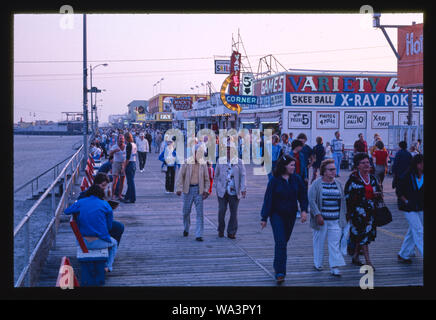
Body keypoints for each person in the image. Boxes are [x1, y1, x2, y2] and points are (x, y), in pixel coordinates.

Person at [260, 154, 308, 284]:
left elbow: (303, 196)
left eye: (294, 165)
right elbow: (268, 199)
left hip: (291, 215)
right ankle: (280, 272)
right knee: (281, 242)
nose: (294, 167)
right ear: (284, 166)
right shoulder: (274, 181)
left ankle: (277, 264)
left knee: (283, 242)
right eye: (292, 165)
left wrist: (304, 210)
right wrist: (264, 217)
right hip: (276, 215)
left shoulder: (296, 179)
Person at [64, 182, 118, 273]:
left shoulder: (81, 202)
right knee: (114, 243)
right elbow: (109, 227)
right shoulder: (105, 204)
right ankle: (108, 266)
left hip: (83, 242)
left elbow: (66, 211)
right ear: (101, 193)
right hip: (100, 242)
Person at [344, 152, 383, 271]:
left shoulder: (373, 178)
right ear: (357, 165)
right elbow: (347, 197)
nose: (367, 165)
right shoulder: (353, 180)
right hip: (357, 213)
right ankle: (368, 262)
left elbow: (378, 194)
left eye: (368, 162)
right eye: (363, 163)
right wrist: (348, 214)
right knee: (363, 236)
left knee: (363, 236)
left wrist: (377, 195)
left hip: (370, 212)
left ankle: (356, 256)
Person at [308, 159, 347, 276]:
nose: (333, 172)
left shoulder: (338, 183)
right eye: (330, 170)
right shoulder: (316, 183)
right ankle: (318, 263)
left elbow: (342, 201)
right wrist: (317, 214)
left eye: (334, 169)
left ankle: (334, 266)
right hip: (321, 220)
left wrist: (344, 216)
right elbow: (312, 200)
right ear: (324, 171)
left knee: (334, 244)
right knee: (319, 242)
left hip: (335, 219)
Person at [77, 172, 125, 246]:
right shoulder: (88, 195)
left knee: (115, 226)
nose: (104, 188)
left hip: (91, 222)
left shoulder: (91, 192)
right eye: (103, 185)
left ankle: (107, 243)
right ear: (96, 184)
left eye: (105, 186)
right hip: (91, 225)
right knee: (119, 227)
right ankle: (109, 245)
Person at [214, 138, 247, 239]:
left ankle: (231, 231)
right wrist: (217, 186)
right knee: (222, 211)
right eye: (227, 149)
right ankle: (220, 229)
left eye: (230, 149)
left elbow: (243, 176)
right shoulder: (220, 161)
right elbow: (216, 176)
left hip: (234, 190)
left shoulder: (239, 162)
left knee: (234, 212)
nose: (228, 151)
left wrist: (243, 188)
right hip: (222, 191)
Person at [176, 145, 210, 241]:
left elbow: (207, 179)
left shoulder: (203, 164)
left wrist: (206, 190)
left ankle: (199, 234)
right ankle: (186, 228)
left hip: (199, 190)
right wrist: (179, 188)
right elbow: (180, 177)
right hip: (188, 190)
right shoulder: (187, 162)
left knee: (200, 213)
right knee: (186, 212)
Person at [396, 154, 424, 263]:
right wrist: (406, 201)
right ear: (417, 164)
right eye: (422, 163)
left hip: (421, 206)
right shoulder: (408, 175)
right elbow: (399, 190)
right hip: (408, 207)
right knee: (419, 231)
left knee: (413, 231)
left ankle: (404, 254)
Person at [109, 134, 126, 200]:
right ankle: (112, 195)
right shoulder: (114, 146)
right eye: (120, 139)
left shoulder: (126, 146)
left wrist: (124, 166)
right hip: (116, 164)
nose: (121, 140)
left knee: (122, 181)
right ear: (118, 139)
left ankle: (119, 195)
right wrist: (114, 151)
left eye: (122, 139)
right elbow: (110, 154)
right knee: (114, 181)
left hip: (123, 164)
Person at [122, 132, 137, 203]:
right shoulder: (134, 144)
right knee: (130, 181)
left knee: (130, 182)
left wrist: (124, 167)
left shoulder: (128, 145)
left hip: (130, 163)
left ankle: (132, 198)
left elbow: (127, 157)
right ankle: (127, 196)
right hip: (134, 163)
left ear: (126, 138)